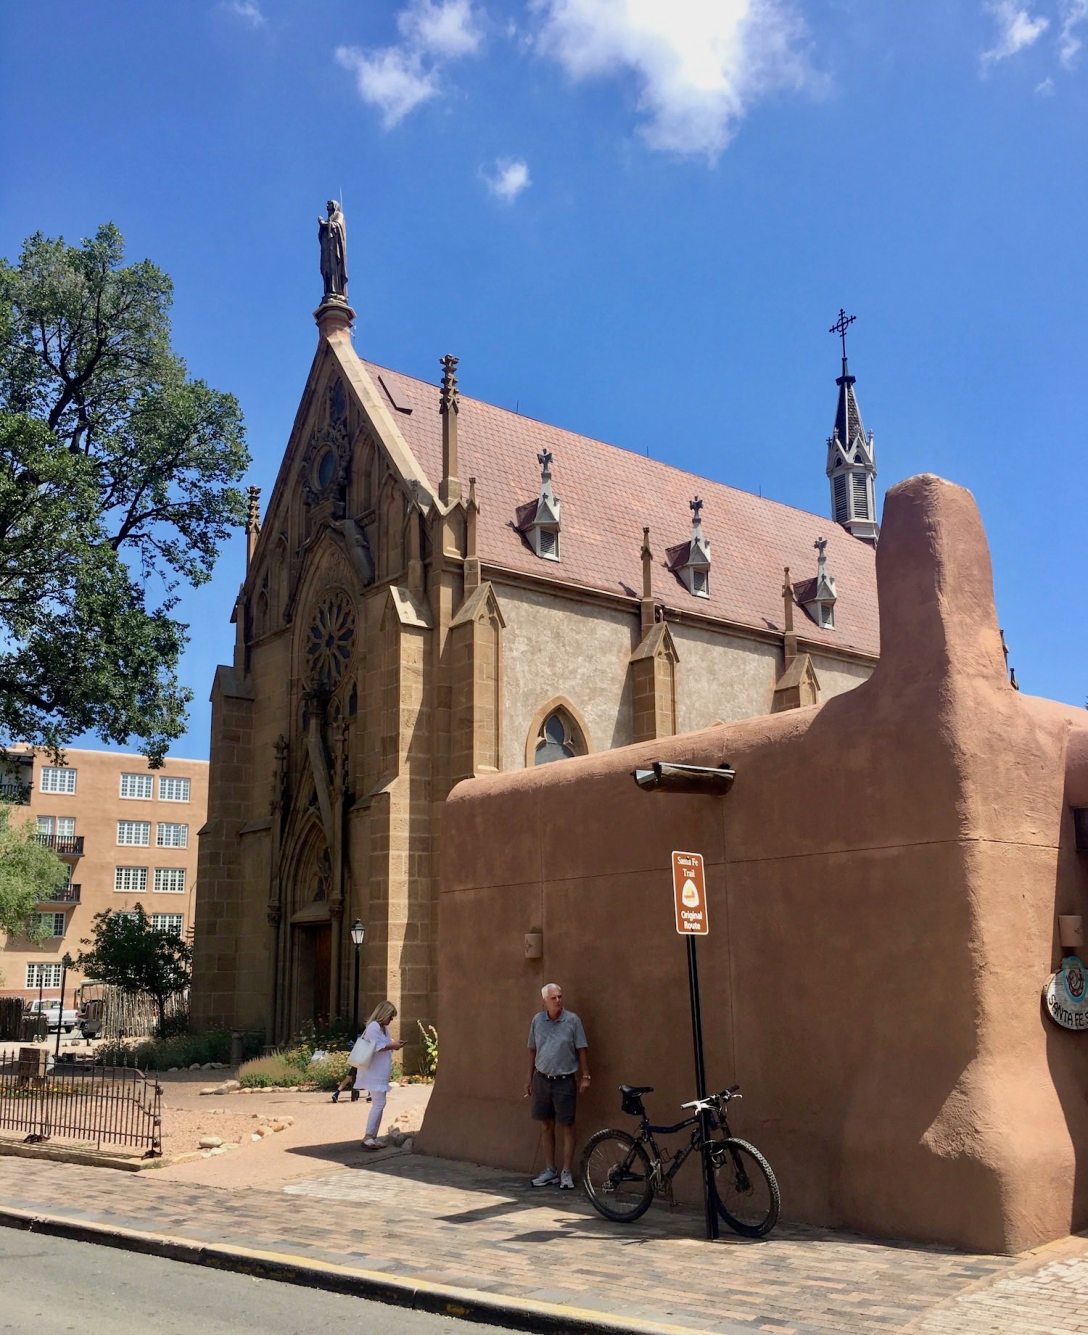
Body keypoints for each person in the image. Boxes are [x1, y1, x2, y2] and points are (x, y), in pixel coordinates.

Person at [526, 982, 590, 1189]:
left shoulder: (572, 1021)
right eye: (553, 998)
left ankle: (566, 1172)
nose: (558, 1001)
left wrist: (585, 1075)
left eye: (560, 997)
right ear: (544, 1001)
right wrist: (529, 1078)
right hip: (542, 1079)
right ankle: (550, 1170)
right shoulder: (537, 1020)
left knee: (567, 1125)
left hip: (564, 1080)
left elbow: (581, 1049)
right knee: (546, 1125)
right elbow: (532, 1050)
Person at [355, 999, 404, 1149]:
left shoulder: (383, 1029)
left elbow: (385, 1044)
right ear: (384, 1014)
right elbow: (376, 1046)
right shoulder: (373, 1027)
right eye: (390, 1017)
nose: (391, 1020)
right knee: (379, 1103)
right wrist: (392, 1045)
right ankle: (368, 1136)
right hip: (373, 1073)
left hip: (380, 1072)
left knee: (379, 1103)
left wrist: (394, 1045)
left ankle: (372, 1137)